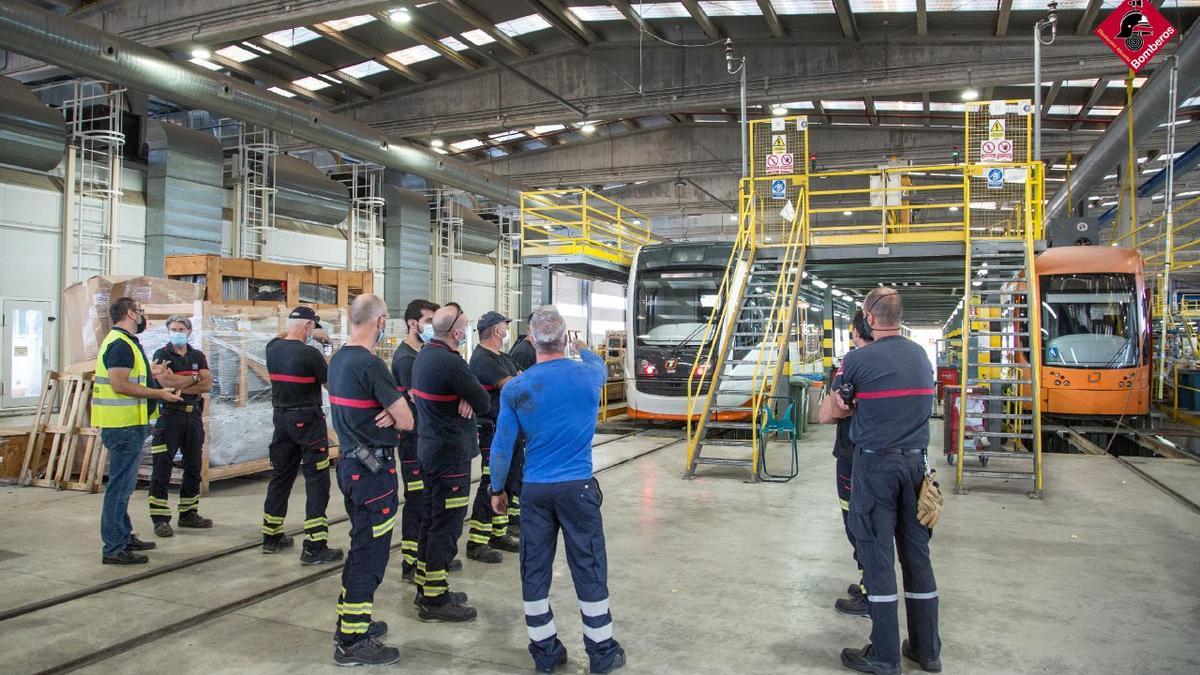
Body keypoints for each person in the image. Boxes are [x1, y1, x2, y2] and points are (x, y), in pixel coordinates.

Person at [489, 305, 626, 675]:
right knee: (589, 565)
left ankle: (545, 652)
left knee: (534, 569)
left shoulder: (517, 388)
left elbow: (502, 446)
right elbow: (597, 360)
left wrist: (497, 489)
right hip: (578, 490)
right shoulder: (589, 375)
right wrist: (582, 347)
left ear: (531, 338)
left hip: (534, 491)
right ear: (564, 338)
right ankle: (601, 652)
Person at [819, 288, 942, 675]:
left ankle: (885, 655)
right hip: (916, 468)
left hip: (875, 469)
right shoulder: (920, 355)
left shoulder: (857, 360)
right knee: (917, 558)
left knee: (878, 559)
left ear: (870, 319)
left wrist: (845, 403)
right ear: (898, 317)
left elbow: (827, 414)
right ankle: (927, 650)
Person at [327, 294, 415, 666]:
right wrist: (395, 412)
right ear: (380, 323)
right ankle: (352, 640)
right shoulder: (371, 365)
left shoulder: (338, 361)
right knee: (371, 551)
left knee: (360, 540)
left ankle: (350, 618)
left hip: (350, 465)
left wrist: (388, 410)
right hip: (373, 471)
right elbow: (408, 420)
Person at [410, 304, 490, 622]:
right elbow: (483, 401)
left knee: (431, 520)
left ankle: (426, 587)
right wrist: (469, 396)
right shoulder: (452, 362)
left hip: (430, 450)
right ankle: (436, 599)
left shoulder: (425, 355)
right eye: (466, 325)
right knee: (447, 525)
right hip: (451, 455)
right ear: (457, 332)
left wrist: (465, 395)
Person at [92, 297, 182, 564]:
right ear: (130, 313)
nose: (143, 317)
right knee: (119, 489)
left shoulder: (125, 342)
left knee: (125, 486)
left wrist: (152, 372)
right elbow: (119, 384)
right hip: (123, 425)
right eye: (140, 312)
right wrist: (159, 393)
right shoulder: (120, 344)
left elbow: (130, 377)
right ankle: (114, 548)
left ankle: (123, 534)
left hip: (128, 424)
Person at [262, 306, 342, 565]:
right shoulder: (311, 355)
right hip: (308, 422)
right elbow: (331, 385)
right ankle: (315, 545)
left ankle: (271, 537)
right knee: (317, 481)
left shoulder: (272, 348)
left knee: (281, 476)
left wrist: (302, 327)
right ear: (309, 327)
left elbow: (286, 333)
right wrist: (328, 348)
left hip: (281, 420)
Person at [147, 316, 213, 537]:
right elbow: (166, 384)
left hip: (193, 416)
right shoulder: (161, 355)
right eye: (173, 329)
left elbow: (208, 384)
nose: (177, 332)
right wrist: (194, 379)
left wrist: (182, 382)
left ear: (189, 331)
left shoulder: (197, 356)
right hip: (169, 417)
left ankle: (188, 513)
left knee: (193, 466)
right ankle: (160, 519)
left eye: (181, 329)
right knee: (162, 467)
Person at [465, 311, 521, 563]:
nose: (507, 329)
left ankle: (498, 532)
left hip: (507, 427)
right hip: (491, 429)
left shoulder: (502, 357)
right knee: (491, 480)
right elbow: (513, 385)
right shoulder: (483, 359)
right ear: (496, 331)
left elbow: (518, 377)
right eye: (504, 326)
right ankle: (476, 541)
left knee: (506, 480)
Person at [390, 298, 439, 583]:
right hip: (413, 441)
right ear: (413, 323)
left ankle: (423, 554)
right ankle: (410, 561)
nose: (432, 326)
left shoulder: (422, 352)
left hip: (426, 439)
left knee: (427, 499)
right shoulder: (406, 358)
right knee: (417, 499)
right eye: (429, 321)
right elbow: (420, 400)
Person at [831, 310, 873, 616]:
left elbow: (830, 411)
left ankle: (871, 592)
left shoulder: (853, 362)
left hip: (851, 453)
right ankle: (869, 583)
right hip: (884, 455)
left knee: (856, 522)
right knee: (872, 523)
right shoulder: (905, 358)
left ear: (857, 333)